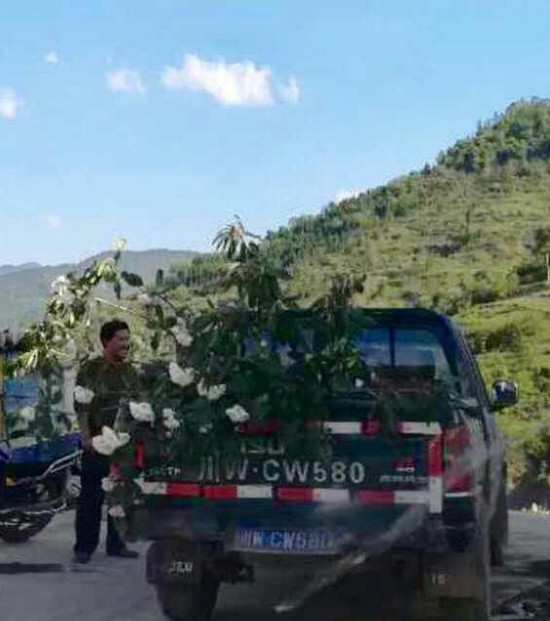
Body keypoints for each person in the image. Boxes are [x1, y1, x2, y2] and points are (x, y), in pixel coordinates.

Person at [73, 319, 141, 564]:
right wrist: (86, 438)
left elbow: (139, 404)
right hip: (97, 442)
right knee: (91, 497)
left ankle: (117, 544)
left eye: (127, 339)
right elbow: (81, 406)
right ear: (106, 341)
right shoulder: (90, 369)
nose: (126, 343)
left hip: (123, 445)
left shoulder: (130, 372)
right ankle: (84, 547)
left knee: (120, 496)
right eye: (120, 339)